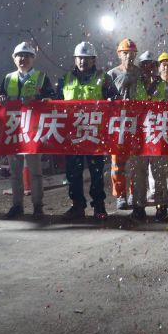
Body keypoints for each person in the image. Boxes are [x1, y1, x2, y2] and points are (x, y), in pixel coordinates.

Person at [0, 41, 55, 219]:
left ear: (33, 59)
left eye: (27, 55)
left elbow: (52, 98)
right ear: (14, 59)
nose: (23, 58)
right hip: (14, 131)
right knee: (15, 173)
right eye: (20, 56)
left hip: (33, 131)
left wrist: (41, 100)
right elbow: (0, 96)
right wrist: (0, 97)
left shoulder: (41, 77)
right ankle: (17, 206)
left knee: (35, 172)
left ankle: (38, 206)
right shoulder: (8, 78)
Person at [56, 41, 115, 220]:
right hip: (72, 135)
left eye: (87, 58)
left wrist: (112, 101)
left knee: (96, 172)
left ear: (94, 60)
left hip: (95, 134)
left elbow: (115, 98)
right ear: (75, 59)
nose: (83, 61)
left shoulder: (103, 78)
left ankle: (99, 206)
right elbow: (54, 103)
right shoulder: (65, 79)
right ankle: (77, 206)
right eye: (80, 58)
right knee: (73, 172)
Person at [129, 51, 168, 221]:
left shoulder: (167, 87)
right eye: (144, 65)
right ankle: (138, 207)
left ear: (156, 67)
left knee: (159, 173)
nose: (148, 68)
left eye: (151, 65)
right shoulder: (133, 86)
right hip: (139, 137)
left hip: (158, 136)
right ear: (140, 68)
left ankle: (161, 207)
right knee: (138, 173)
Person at [107, 38, 141, 211]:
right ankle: (121, 195)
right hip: (118, 124)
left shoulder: (141, 74)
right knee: (118, 163)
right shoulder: (111, 75)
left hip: (136, 123)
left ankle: (134, 193)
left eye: (132, 53)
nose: (129, 56)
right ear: (119, 54)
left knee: (135, 161)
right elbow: (104, 97)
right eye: (125, 53)